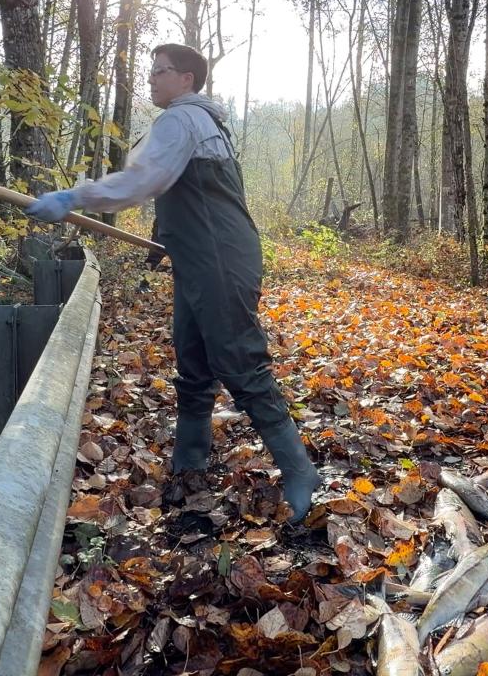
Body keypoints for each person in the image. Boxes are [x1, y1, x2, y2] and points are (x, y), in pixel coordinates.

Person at [26, 44, 320, 522]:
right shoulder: (203, 121)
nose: (152, 79)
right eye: (152, 71)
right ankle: (189, 465)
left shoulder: (181, 119)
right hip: (200, 258)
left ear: (186, 79)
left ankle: (299, 469)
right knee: (193, 359)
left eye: (160, 71)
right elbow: (187, 194)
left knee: (238, 360)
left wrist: (74, 197)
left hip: (219, 259)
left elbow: (143, 181)